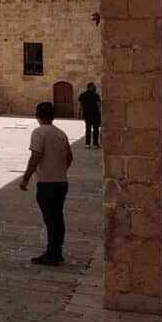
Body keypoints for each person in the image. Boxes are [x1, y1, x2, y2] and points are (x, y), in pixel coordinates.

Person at [20, 102, 73, 265]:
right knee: (58, 218)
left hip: (47, 183)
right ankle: (56, 250)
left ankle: (52, 253)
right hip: (61, 181)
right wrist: (59, 169)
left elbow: (35, 157)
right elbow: (69, 157)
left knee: (50, 219)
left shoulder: (39, 133)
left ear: (37, 116)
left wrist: (26, 178)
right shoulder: (61, 133)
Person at [78, 83, 101, 149]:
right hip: (95, 114)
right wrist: (100, 112)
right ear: (91, 87)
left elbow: (80, 105)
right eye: (93, 86)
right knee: (95, 129)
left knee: (88, 129)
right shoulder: (95, 95)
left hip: (86, 114)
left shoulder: (82, 95)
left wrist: (79, 113)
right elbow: (99, 105)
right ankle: (95, 144)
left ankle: (87, 144)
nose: (94, 88)